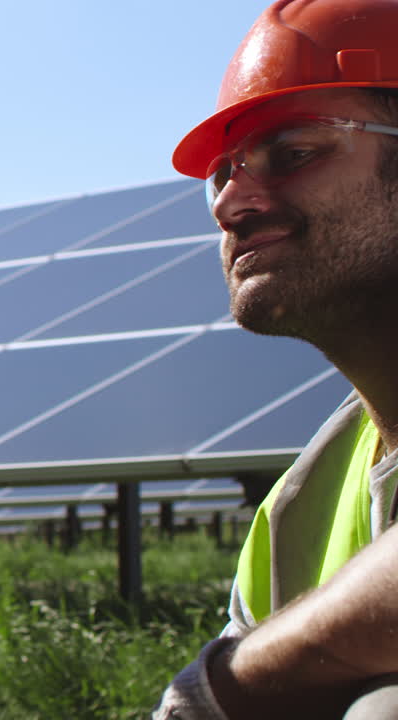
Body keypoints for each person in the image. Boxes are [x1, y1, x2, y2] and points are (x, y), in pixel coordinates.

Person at [153, 0, 398, 717]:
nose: (232, 203)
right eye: (221, 173)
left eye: (295, 153)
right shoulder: (299, 510)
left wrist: (228, 686)